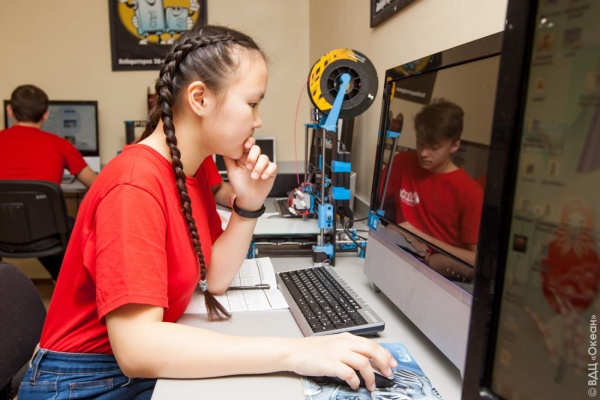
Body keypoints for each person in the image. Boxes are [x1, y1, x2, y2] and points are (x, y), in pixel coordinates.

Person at [18, 25, 396, 399]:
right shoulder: (133, 186)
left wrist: (249, 204)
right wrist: (294, 352)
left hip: (118, 370)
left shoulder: (191, 169)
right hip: (82, 380)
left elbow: (214, 277)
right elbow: (137, 349)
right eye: (252, 104)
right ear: (199, 98)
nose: (258, 120)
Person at [0, 84, 97, 281]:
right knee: (75, 229)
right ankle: (65, 282)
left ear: (10, 111)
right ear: (45, 115)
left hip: (3, 234)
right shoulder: (60, 144)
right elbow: (96, 185)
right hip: (47, 236)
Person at [381, 98, 483, 273]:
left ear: (454, 146)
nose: (423, 153)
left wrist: (422, 238)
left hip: (438, 269)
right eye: (420, 143)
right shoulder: (402, 162)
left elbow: (477, 261)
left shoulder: (471, 192)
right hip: (402, 254)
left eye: (434, 148)